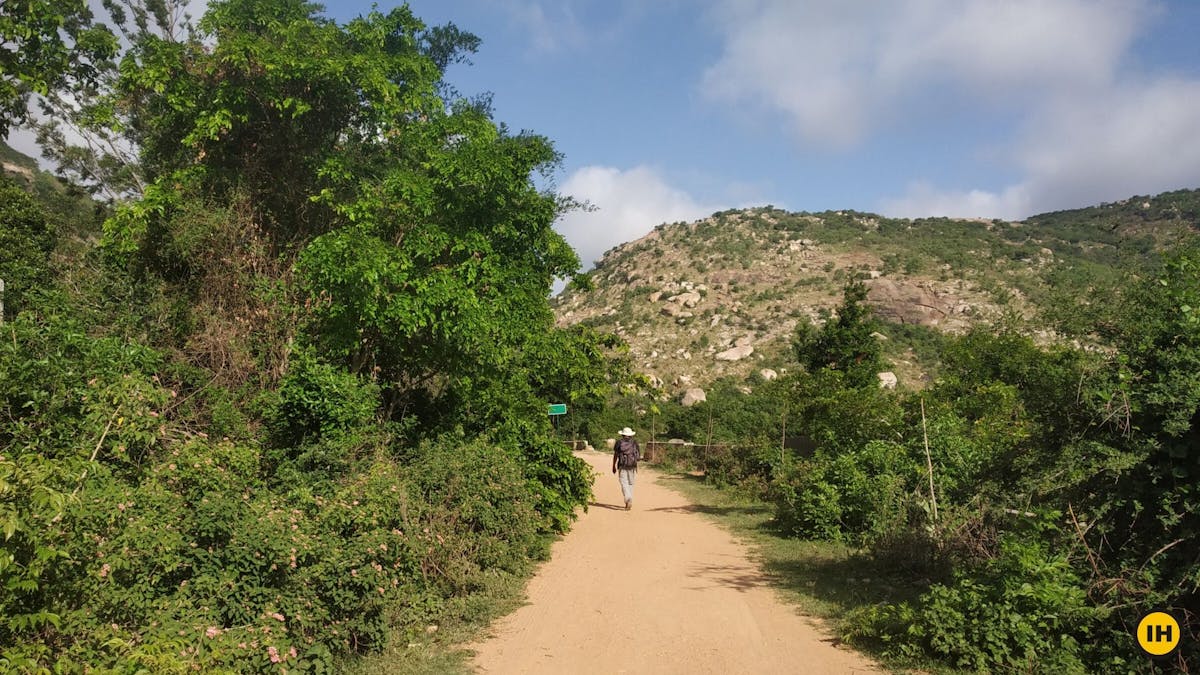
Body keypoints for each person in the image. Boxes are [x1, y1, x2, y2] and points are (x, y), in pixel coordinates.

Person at [612, 427, 640, 510]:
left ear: (623, 434)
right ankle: (629, 498)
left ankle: (628, 499)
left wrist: (613, 465)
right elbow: (638, 456)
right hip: (632, 466)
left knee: (624, 483)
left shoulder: (619, 442)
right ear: (631, 435)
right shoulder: (635, 443)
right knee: (631, 483)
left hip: (622, 465)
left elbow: (616, 455)